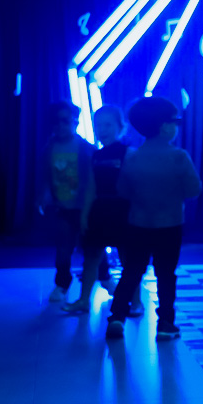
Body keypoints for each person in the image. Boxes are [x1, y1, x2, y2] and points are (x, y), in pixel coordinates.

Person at [105, 97, 200, 341]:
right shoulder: (178, 157)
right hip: (170, 225)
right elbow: (193, 189)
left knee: (131, 271)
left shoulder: (132, 157)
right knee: (166, 274)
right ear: (165, 127)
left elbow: (122, 190)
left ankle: (117, 316)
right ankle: (166, 323)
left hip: (138, 224)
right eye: (175, 122)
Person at [66, 104, 129, 314]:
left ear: (120, 127)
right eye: (98, 125)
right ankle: (84, 299)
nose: (102, 130)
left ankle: (134, 301)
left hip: (122, 210)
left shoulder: (128, 153)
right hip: (99, 210)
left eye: (108, 125)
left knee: (128, 258)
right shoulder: (96, 155)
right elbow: (91, 187)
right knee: (91, 256)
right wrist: (85, 214)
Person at [40, 102, 94, 302]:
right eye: (56, 121)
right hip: (62, 207)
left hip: (86, 208)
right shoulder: (49, 149)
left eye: (65, 120)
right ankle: (62, 283)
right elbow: (46, 176)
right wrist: (44, 195)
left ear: (75, 122)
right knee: (63, 248)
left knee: (92, 246)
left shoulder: (86, 148)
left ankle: (104, 277)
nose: (61, 125)